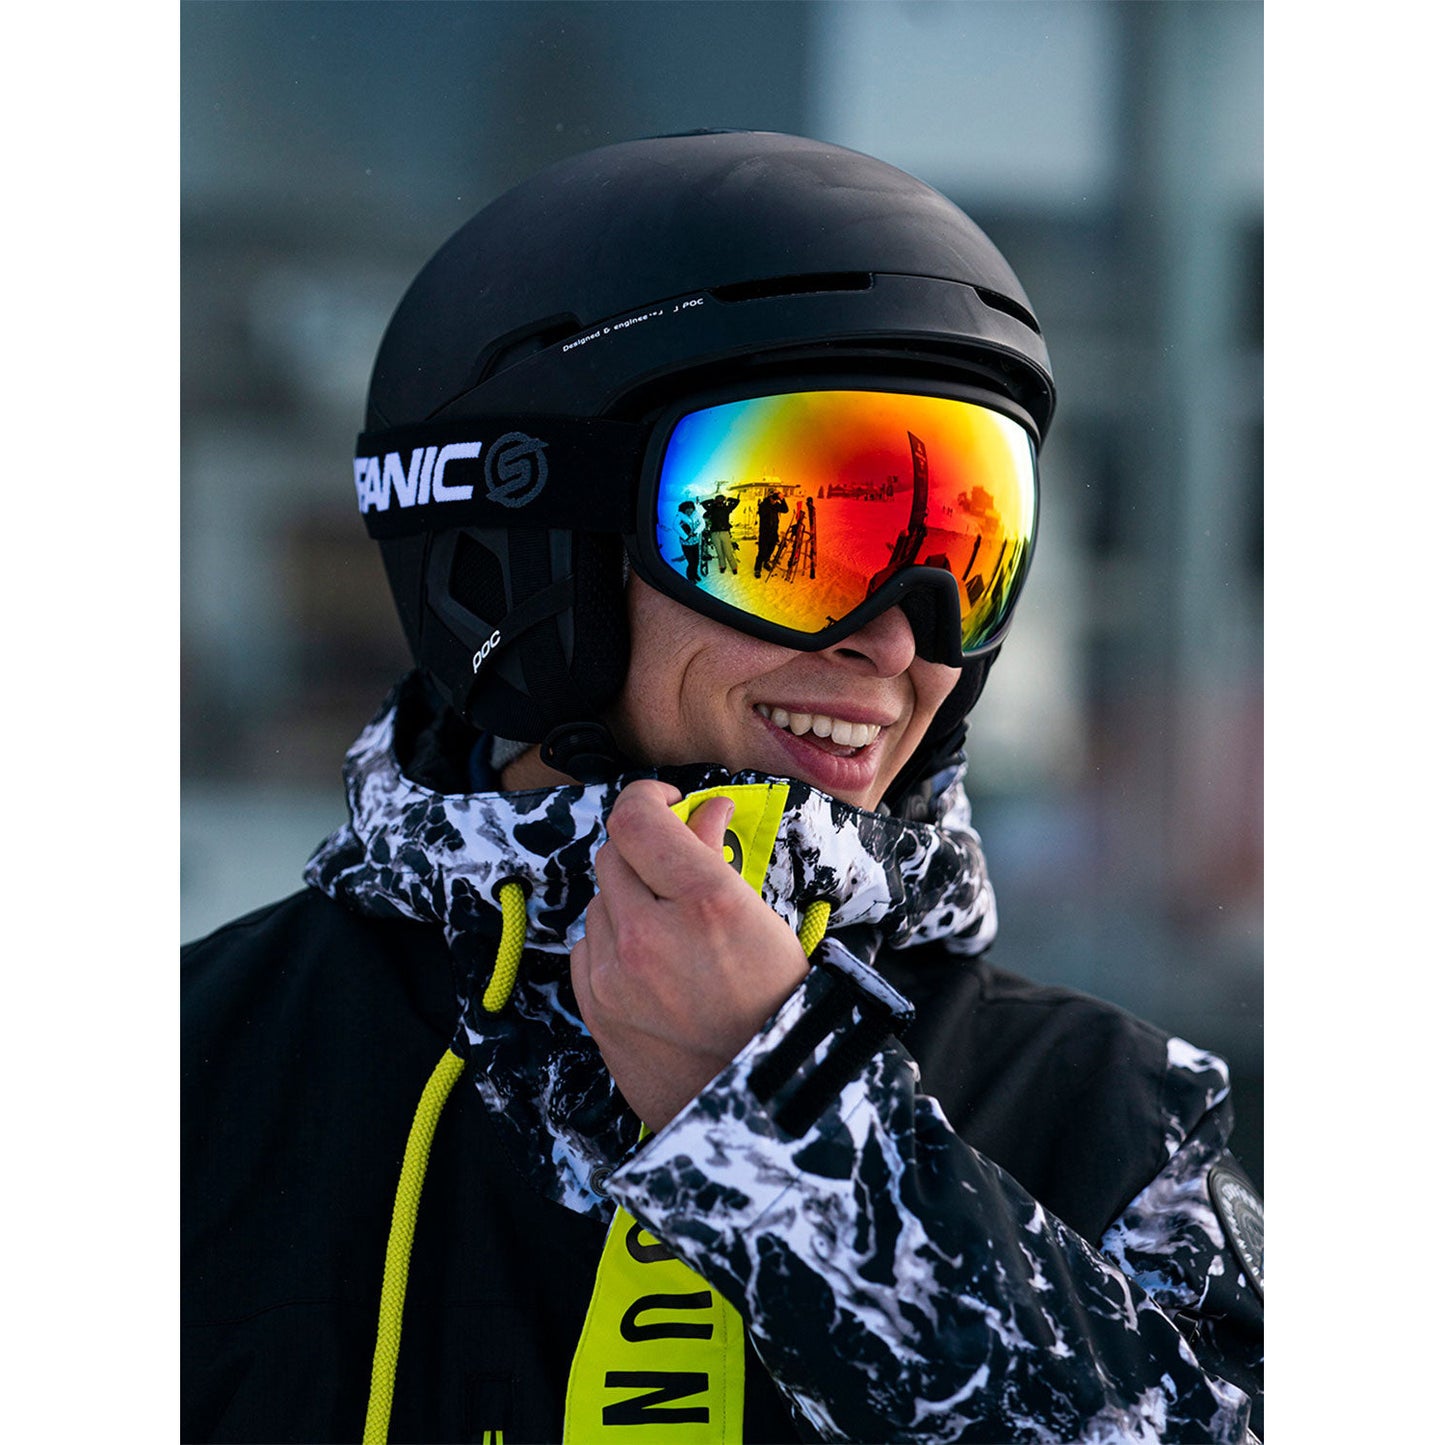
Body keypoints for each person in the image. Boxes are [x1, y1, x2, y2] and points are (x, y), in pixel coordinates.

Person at [182, 131, 1263, 1444]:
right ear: (528, 549)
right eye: (791, 534)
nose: (900, 640)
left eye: (963, 549)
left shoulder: (1100, 1115)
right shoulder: (200, 1083)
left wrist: (787, 1123)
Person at [701, 490, 741, 574]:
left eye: (721, 500)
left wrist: (728, 498)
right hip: (714, 534)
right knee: (719, 552)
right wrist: (712, 500)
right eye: (718, 500)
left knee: (728, 552)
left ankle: (734, 567)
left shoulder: (727, 508)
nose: (720, 502)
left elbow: (737, 501)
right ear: (716, 501)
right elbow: (703, 503)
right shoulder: (712, 509)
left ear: (723, 501)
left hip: (725, 533)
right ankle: (722, 566)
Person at [755, 488, 789, 577]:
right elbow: (764, 512)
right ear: (769, 497)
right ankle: (757, 568)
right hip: (764, 533)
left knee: (771, 549)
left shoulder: (776, 505)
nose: (775, 500)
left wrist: (782, 499)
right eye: (773, 498)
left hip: (774, 532)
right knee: (762, 551)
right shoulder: (763, 505)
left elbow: (785, 510)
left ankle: (766, 562)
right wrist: (772, 499)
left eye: (776, 498)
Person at [677, 498, 701, 581]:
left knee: (696, 561)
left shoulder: (695, 516)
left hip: (695, 542)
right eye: (688, 510)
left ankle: (695, 574)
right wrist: (686, 535)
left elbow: (699, 524)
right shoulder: (680, 518)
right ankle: (690, 576)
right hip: (686, 544)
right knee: (691, 562)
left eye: (691, 510)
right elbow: (677, 527)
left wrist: (698, 530)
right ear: (684, 510)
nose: (690, 512)